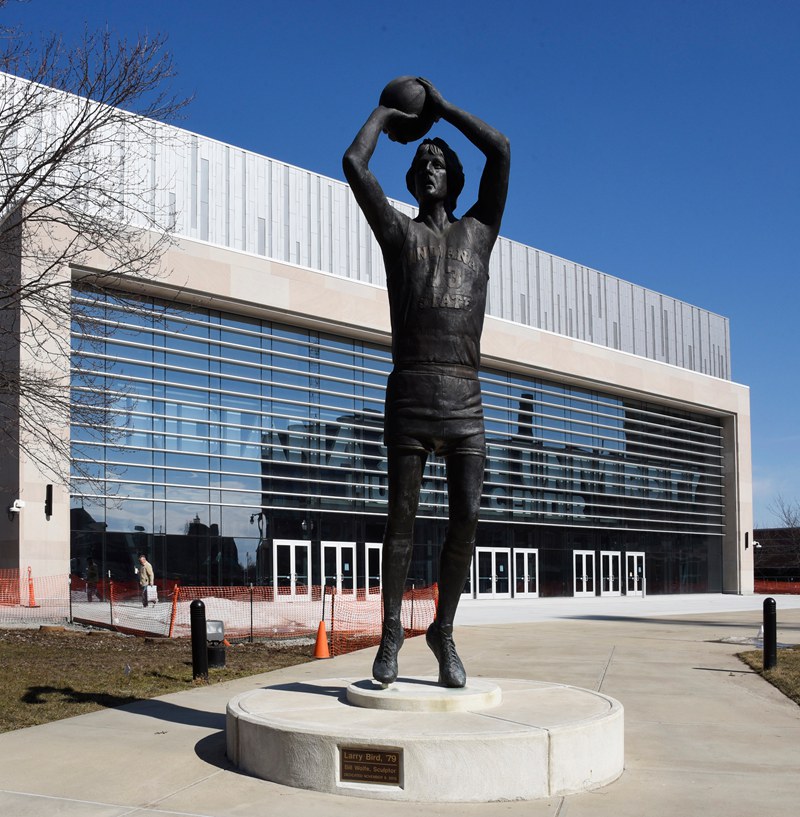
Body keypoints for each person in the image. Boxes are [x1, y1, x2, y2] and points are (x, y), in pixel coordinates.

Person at [343, 79, 510, 687]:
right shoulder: (400, 236)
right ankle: (391, 634)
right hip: (412, 390)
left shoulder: (480, 233)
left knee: (466, 517)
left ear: (455, 179)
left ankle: (443, 629)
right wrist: (386, 113)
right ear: (413, 181)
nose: (431, 166)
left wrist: (442, 110)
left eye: (440, 161)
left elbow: (502, 151)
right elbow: (354, 164)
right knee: (401, 521)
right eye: (422, 161)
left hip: (464, 393)